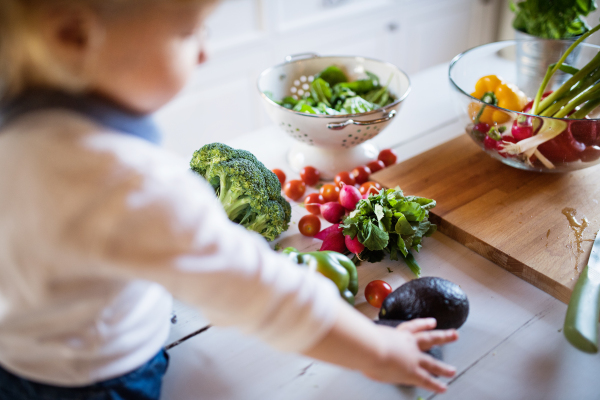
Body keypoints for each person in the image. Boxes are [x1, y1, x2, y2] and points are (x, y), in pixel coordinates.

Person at [0, 1, 459, 399]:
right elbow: (259, 291)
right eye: (186, 32)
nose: (204, 52)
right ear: (74, 35)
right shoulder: (129, 183)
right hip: (97, 379)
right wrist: (377, 350)